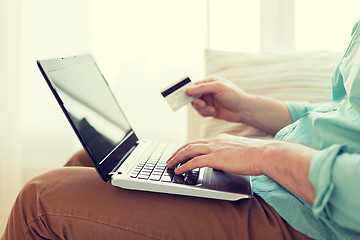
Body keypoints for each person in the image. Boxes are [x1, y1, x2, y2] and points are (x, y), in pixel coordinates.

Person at [2, 21, 360, 240]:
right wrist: (247, 106)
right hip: (283, 186)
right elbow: (341, 114)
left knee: (39, 202)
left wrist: (264, 154)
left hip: (311, 219)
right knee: (92, 159)